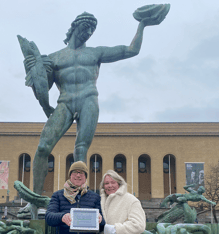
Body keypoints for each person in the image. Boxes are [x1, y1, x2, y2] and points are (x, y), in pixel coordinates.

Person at [24, 12, 154, 203]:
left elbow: (131, 50)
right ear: (76, 27)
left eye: (92, 31)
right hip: (65, 102)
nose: (89, 33)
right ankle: (33, 201)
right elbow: (42, 89)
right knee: (43, 147)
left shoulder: (95, 53)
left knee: (81, 149)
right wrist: (33, 70)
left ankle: (79, 199)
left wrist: (142, 25)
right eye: (86, 28)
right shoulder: (54, 58)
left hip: (88, 100)